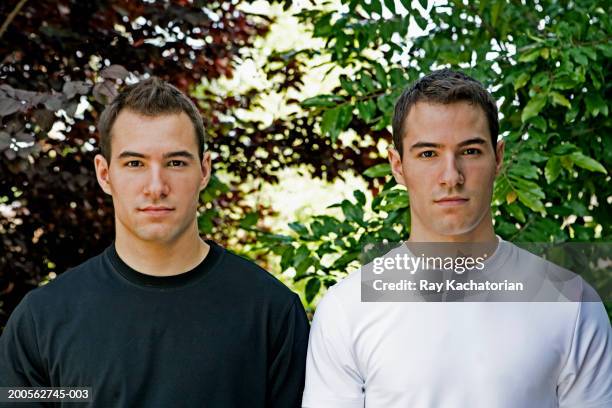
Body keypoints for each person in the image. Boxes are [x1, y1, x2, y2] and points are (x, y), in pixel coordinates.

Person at [302, 69, 611, 407]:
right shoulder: (346, 311)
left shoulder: (572, 304)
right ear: (397, 166)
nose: (451, 176)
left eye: (470, 151)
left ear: (499, 158)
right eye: (428, 154)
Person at [0, 78, 309, 407]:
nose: (156, 186)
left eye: (176, 163)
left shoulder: (272, 313)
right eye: (135, 164)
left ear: (204, 171)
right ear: (105, 174)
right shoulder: (42, 319)